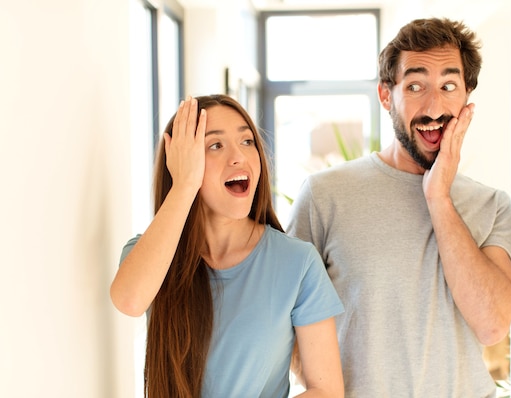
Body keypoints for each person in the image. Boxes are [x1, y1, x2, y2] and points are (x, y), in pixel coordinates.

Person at [286, 18, 511, 397]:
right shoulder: (324, 196)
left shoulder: (491, 205)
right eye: (415, 86)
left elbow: (492, 324)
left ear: (466, 97)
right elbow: (286, 326)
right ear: (386, 95)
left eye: (448, 86)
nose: (433, 106)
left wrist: (438, 197)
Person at [110, 95, 344, 398]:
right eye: (215, 146)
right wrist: (184, 185)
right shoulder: (151, 253)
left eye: (247, 142)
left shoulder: (297, 262)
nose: (239, 157)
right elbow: (129, 300)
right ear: (183, 163)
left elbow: (326, 391)